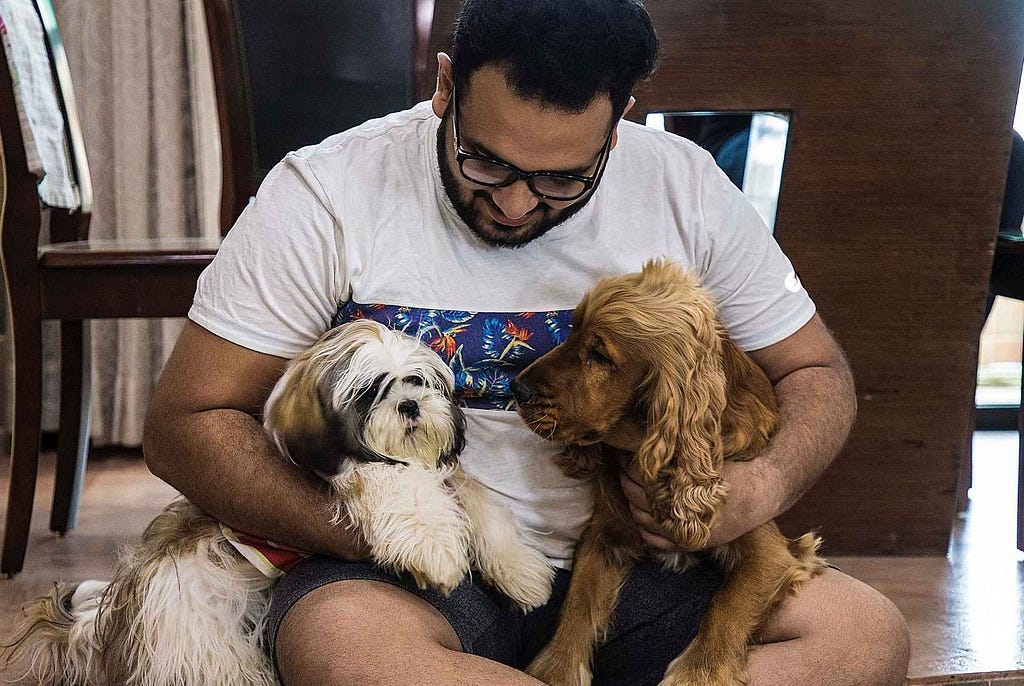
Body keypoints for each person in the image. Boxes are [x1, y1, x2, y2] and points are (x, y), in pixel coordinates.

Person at [143, 1, 910, 683]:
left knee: (863, 637)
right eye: (486, 161)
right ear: (445, 87)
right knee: (347, 651)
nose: (513, 204)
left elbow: (814, 368)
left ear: (620, 120)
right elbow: (186, 427)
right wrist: (375, 528)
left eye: (563, 180)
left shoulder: (686, 185)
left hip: (642, 569)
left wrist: (759, 488)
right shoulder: (325, 191)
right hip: (413, 574)